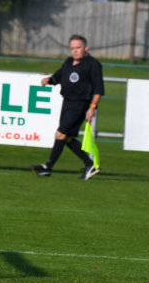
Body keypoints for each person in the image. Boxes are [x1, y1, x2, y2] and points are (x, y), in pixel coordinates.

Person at [30, 35, 104, 180]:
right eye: (72, 48)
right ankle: (89, 164)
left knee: (60, 134)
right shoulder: (69, 62)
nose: (75, 51)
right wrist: (49, 80)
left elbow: (98, 89)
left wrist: (92, 107)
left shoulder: (93, 64)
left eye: (78, 48)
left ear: (86, 48)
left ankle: (47, 167)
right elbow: (58, 76)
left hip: (80, 104)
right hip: (67, 102)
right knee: (66, 137)